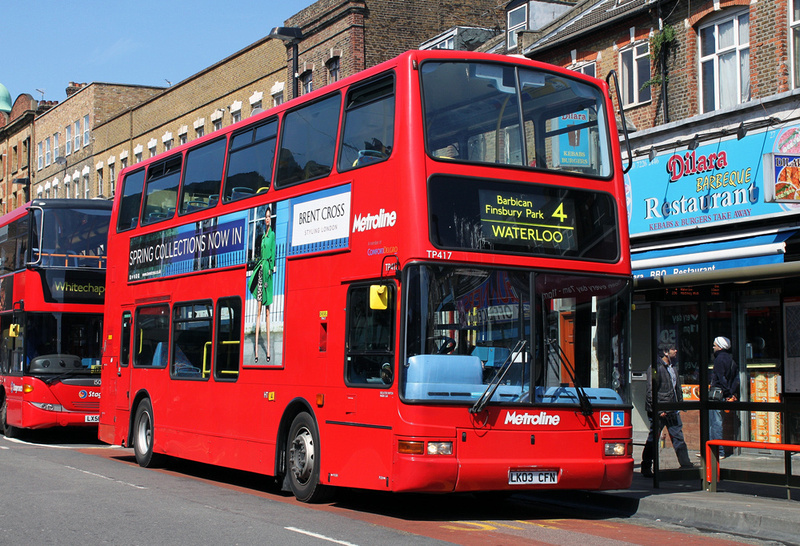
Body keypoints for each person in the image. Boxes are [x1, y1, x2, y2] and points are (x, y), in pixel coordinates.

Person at [641, 343, 694, 477]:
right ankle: (646, 465)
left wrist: (679, 405)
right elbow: (650, 391)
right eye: (673, 349)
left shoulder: (673, 368)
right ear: (665, 352)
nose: (676, 350)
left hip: (672, 409)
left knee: (678, 436)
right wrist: (658, 410)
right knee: (654, 438)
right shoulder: (655, 368)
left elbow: (677, 389)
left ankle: (686, 464)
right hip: (661, 410)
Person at [250, 207, 276, 363]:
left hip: (268, 272)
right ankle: (256, 351)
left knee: (267, 311)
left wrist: (271, 269)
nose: (267, 219)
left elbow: (272, 254)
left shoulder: (272, 235)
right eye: (265, 217)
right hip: (261, 270)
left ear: (271, 219)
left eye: (268, 216)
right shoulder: (262, 237)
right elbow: (261, 254)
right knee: (258, 310)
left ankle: (267, 351)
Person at [710, 336, 739, 458]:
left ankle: (717, 451)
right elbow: (736, 379)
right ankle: (713, 450)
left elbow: (721, 378)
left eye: (714, 345)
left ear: (720, 346)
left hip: (717, 394)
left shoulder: (719, 359)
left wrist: (726, 393)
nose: (713, 347)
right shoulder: (732, 360)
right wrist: (730, 393)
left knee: (714, 423)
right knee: (716, 422)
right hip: (726, 394)